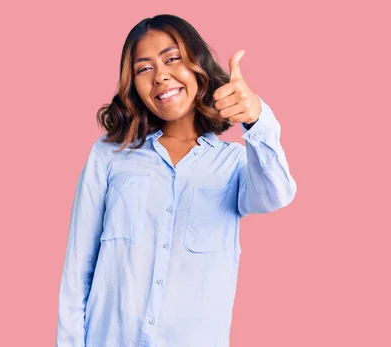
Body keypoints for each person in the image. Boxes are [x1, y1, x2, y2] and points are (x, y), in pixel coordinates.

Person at [56, 14, 296, 347]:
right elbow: (78, 269)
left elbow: (277, 195)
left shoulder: (235, 163)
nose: (160, 76)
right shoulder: (109, 156)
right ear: (134, 85)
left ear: (198, 64)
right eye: (144, 68)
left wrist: (257, 120)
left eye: (172, 59)